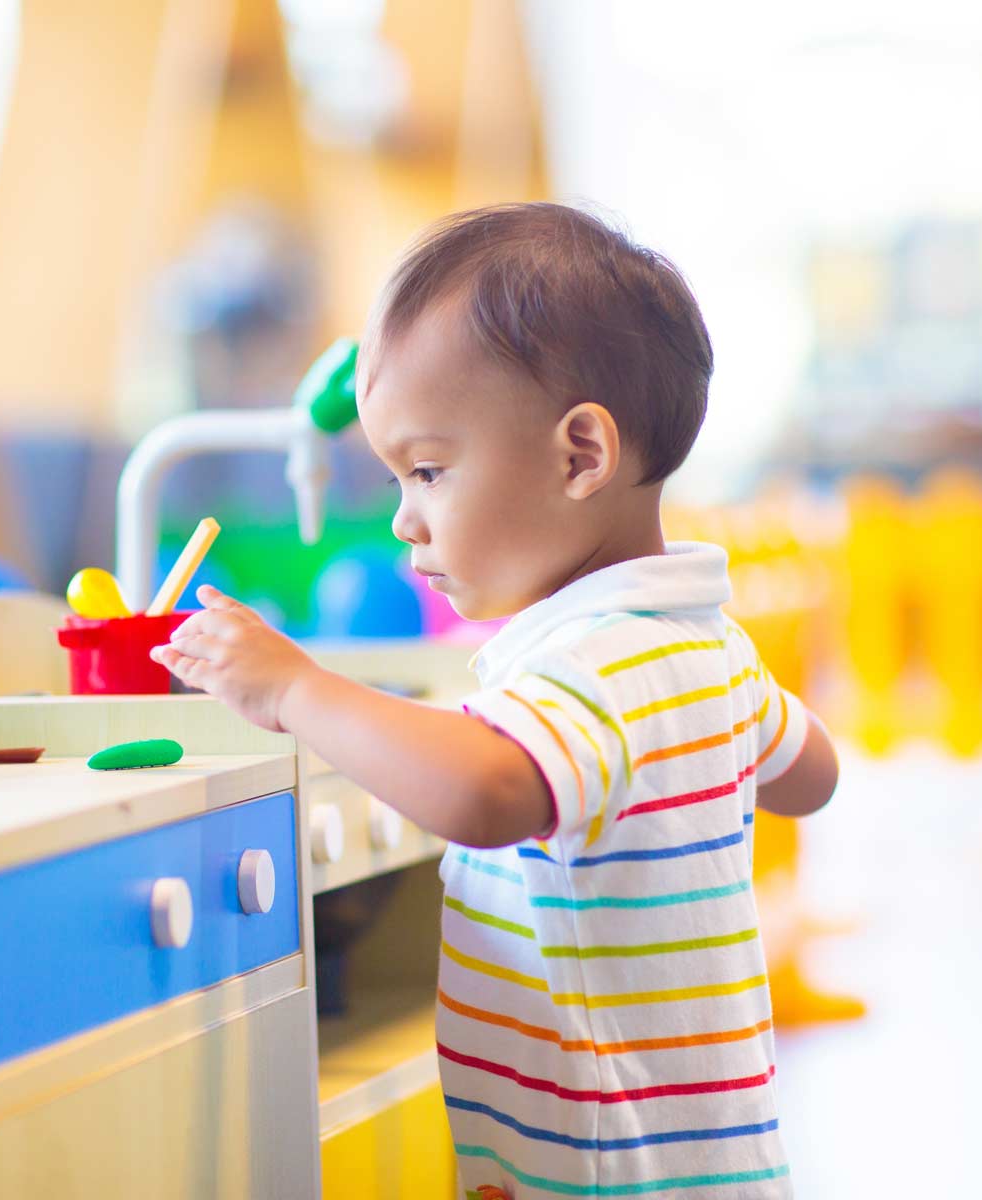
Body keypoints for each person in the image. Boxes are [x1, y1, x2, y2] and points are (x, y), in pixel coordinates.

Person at [152, 202, 838, 1198]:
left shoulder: (595, 665)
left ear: (580, 457)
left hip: (607, 1173)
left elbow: (484, 793)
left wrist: (296, 687)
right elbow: (809, 773)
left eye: (428, 470)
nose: (404, 518)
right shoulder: (703, 644)